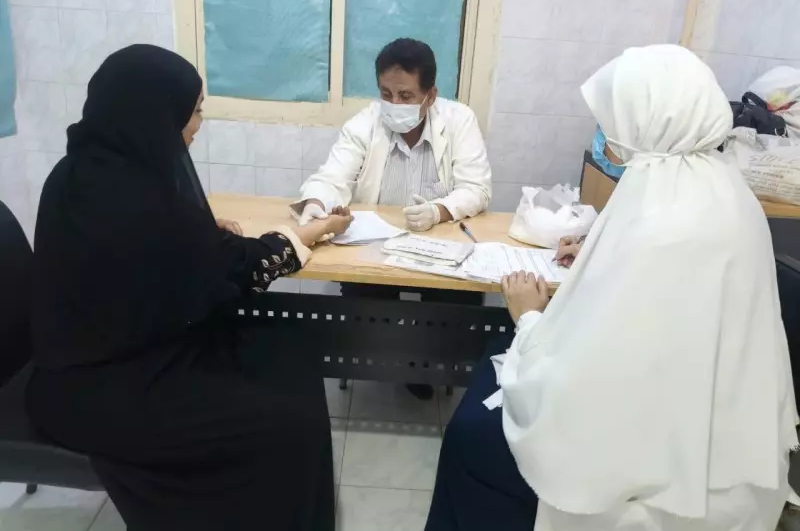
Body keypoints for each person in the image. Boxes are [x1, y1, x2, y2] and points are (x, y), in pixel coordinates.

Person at [425, 44, 798, 531]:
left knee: (470, 433)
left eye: (612, 125)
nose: (605, 139)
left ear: (652, 124)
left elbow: (586, 381)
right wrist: (596, 255)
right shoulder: (721, 189)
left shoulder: (663, 222)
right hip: (714, 437)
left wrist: (529, 317)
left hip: (660, 473)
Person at [25, 45, 353, 531]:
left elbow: (166, 257)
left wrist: (202, 235)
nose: (198, 124)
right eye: (194, 110)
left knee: (288, 350)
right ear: (155, 113)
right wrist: (310, 233)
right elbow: (229, 268)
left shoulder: (80, 175)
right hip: (101, 390)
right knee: (287, 420)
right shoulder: (141, 201)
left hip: (113, 357)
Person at [294, 38, 492, 399]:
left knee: (455, 305)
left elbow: (477, 189)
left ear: (430, 96)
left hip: (440, 244)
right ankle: (392, 359)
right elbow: (332, 177)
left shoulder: (459, 120)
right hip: (378, 246)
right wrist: (316, 205)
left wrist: (438, 211)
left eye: (406, 96)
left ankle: (426, 363)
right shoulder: (366, 123)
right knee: (366, 297)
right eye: (386, 93)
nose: (394, 104)